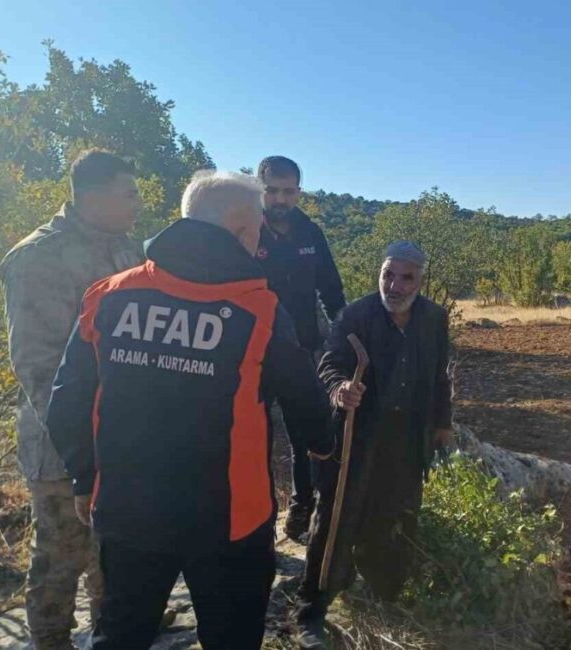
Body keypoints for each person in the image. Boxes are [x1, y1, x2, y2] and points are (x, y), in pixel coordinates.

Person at [46, 171, 334, 650]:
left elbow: (67, 400)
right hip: (230, 522)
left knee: (121, 634)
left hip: (127, 510)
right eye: (258, 230)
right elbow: (306, 403)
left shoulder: (109, 295)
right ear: (242, 229)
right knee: (231, 638)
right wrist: (326, 449)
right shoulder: (260, 310)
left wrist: (85, 478)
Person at [0, 149, 143, 650]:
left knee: (114, 551)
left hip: (122, 438)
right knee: (61, 557)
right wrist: (82, 446)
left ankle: (112, 633)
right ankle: (52, 641)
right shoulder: (39, 257)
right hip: (63, 446)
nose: (138, 204)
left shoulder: (128, 250)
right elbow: (37, 368)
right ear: (94, 196)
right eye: (129, 193)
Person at [295, 241, 452, 649]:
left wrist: (442, 424)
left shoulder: (433, 318)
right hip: (355, 438)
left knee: (394, 516)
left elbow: (439, 375)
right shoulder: (356, 315)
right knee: (335, 520)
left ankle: (384, 595)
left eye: (406, 277)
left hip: (406, 439)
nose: (395, 285)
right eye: (388, 275)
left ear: (421, 279)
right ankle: (312, 609)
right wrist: (340, 389)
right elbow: (330, 363)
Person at [255, 156, 347, 541]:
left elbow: (330, 290)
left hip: (300, 350)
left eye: (288, 191)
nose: (280, 199)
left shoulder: (310, 233)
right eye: (272, 190)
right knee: (254, 436)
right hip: (252, 352)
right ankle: (258, 517)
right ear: (259, 189)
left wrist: (346, 336)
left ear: (298, 191)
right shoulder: (244, 229)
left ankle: (300, 507)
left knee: (304, 433)